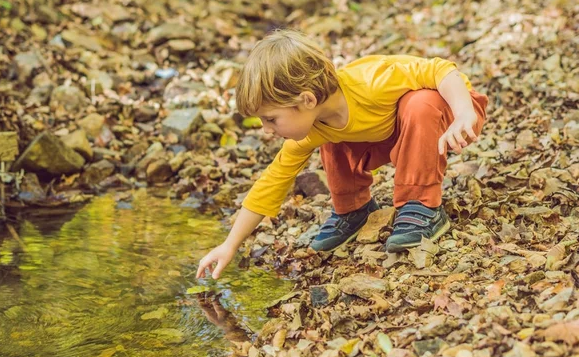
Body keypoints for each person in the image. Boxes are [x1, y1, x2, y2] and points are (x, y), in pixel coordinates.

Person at [197, 29, 488, 280]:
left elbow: (441, 70)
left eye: (271, 119)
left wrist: (463, 113)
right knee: (331, 136)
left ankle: (422, 205)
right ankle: (354, 210)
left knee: (420, 102)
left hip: (451, 109)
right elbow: (271, 183)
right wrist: (229, 245)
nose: (266, 130)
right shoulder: (313, 123)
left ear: (307, 99)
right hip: (390, 134)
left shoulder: (372, 82)